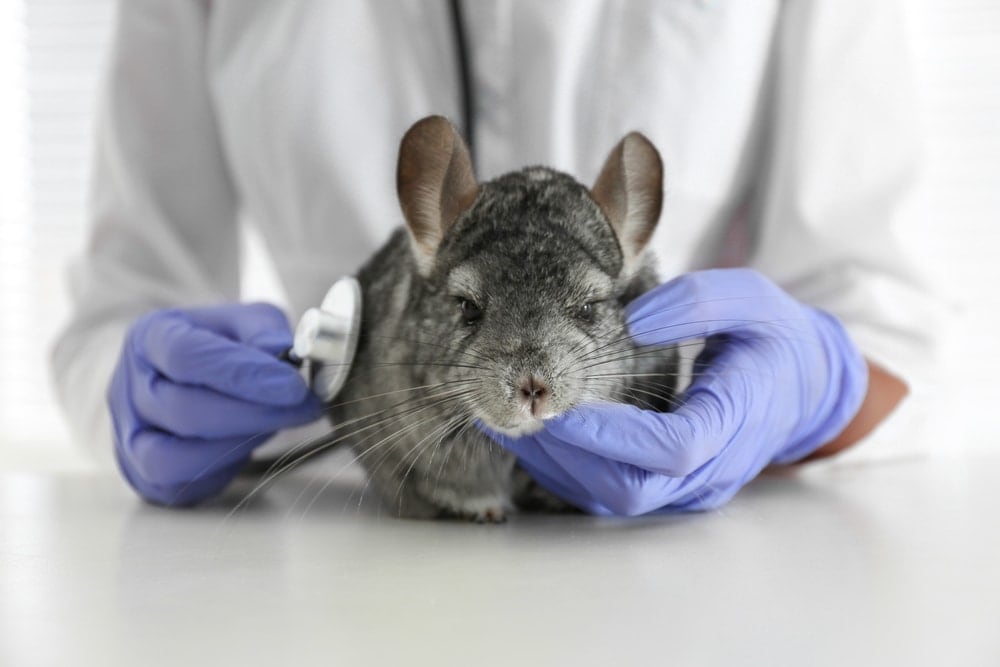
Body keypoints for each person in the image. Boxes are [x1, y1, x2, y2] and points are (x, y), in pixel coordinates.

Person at [51, 0, 941, 512]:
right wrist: (158, 398)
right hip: (345, 521)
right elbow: (127, 297)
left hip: (666, 560)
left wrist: (814, 389)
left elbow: (883, 309)